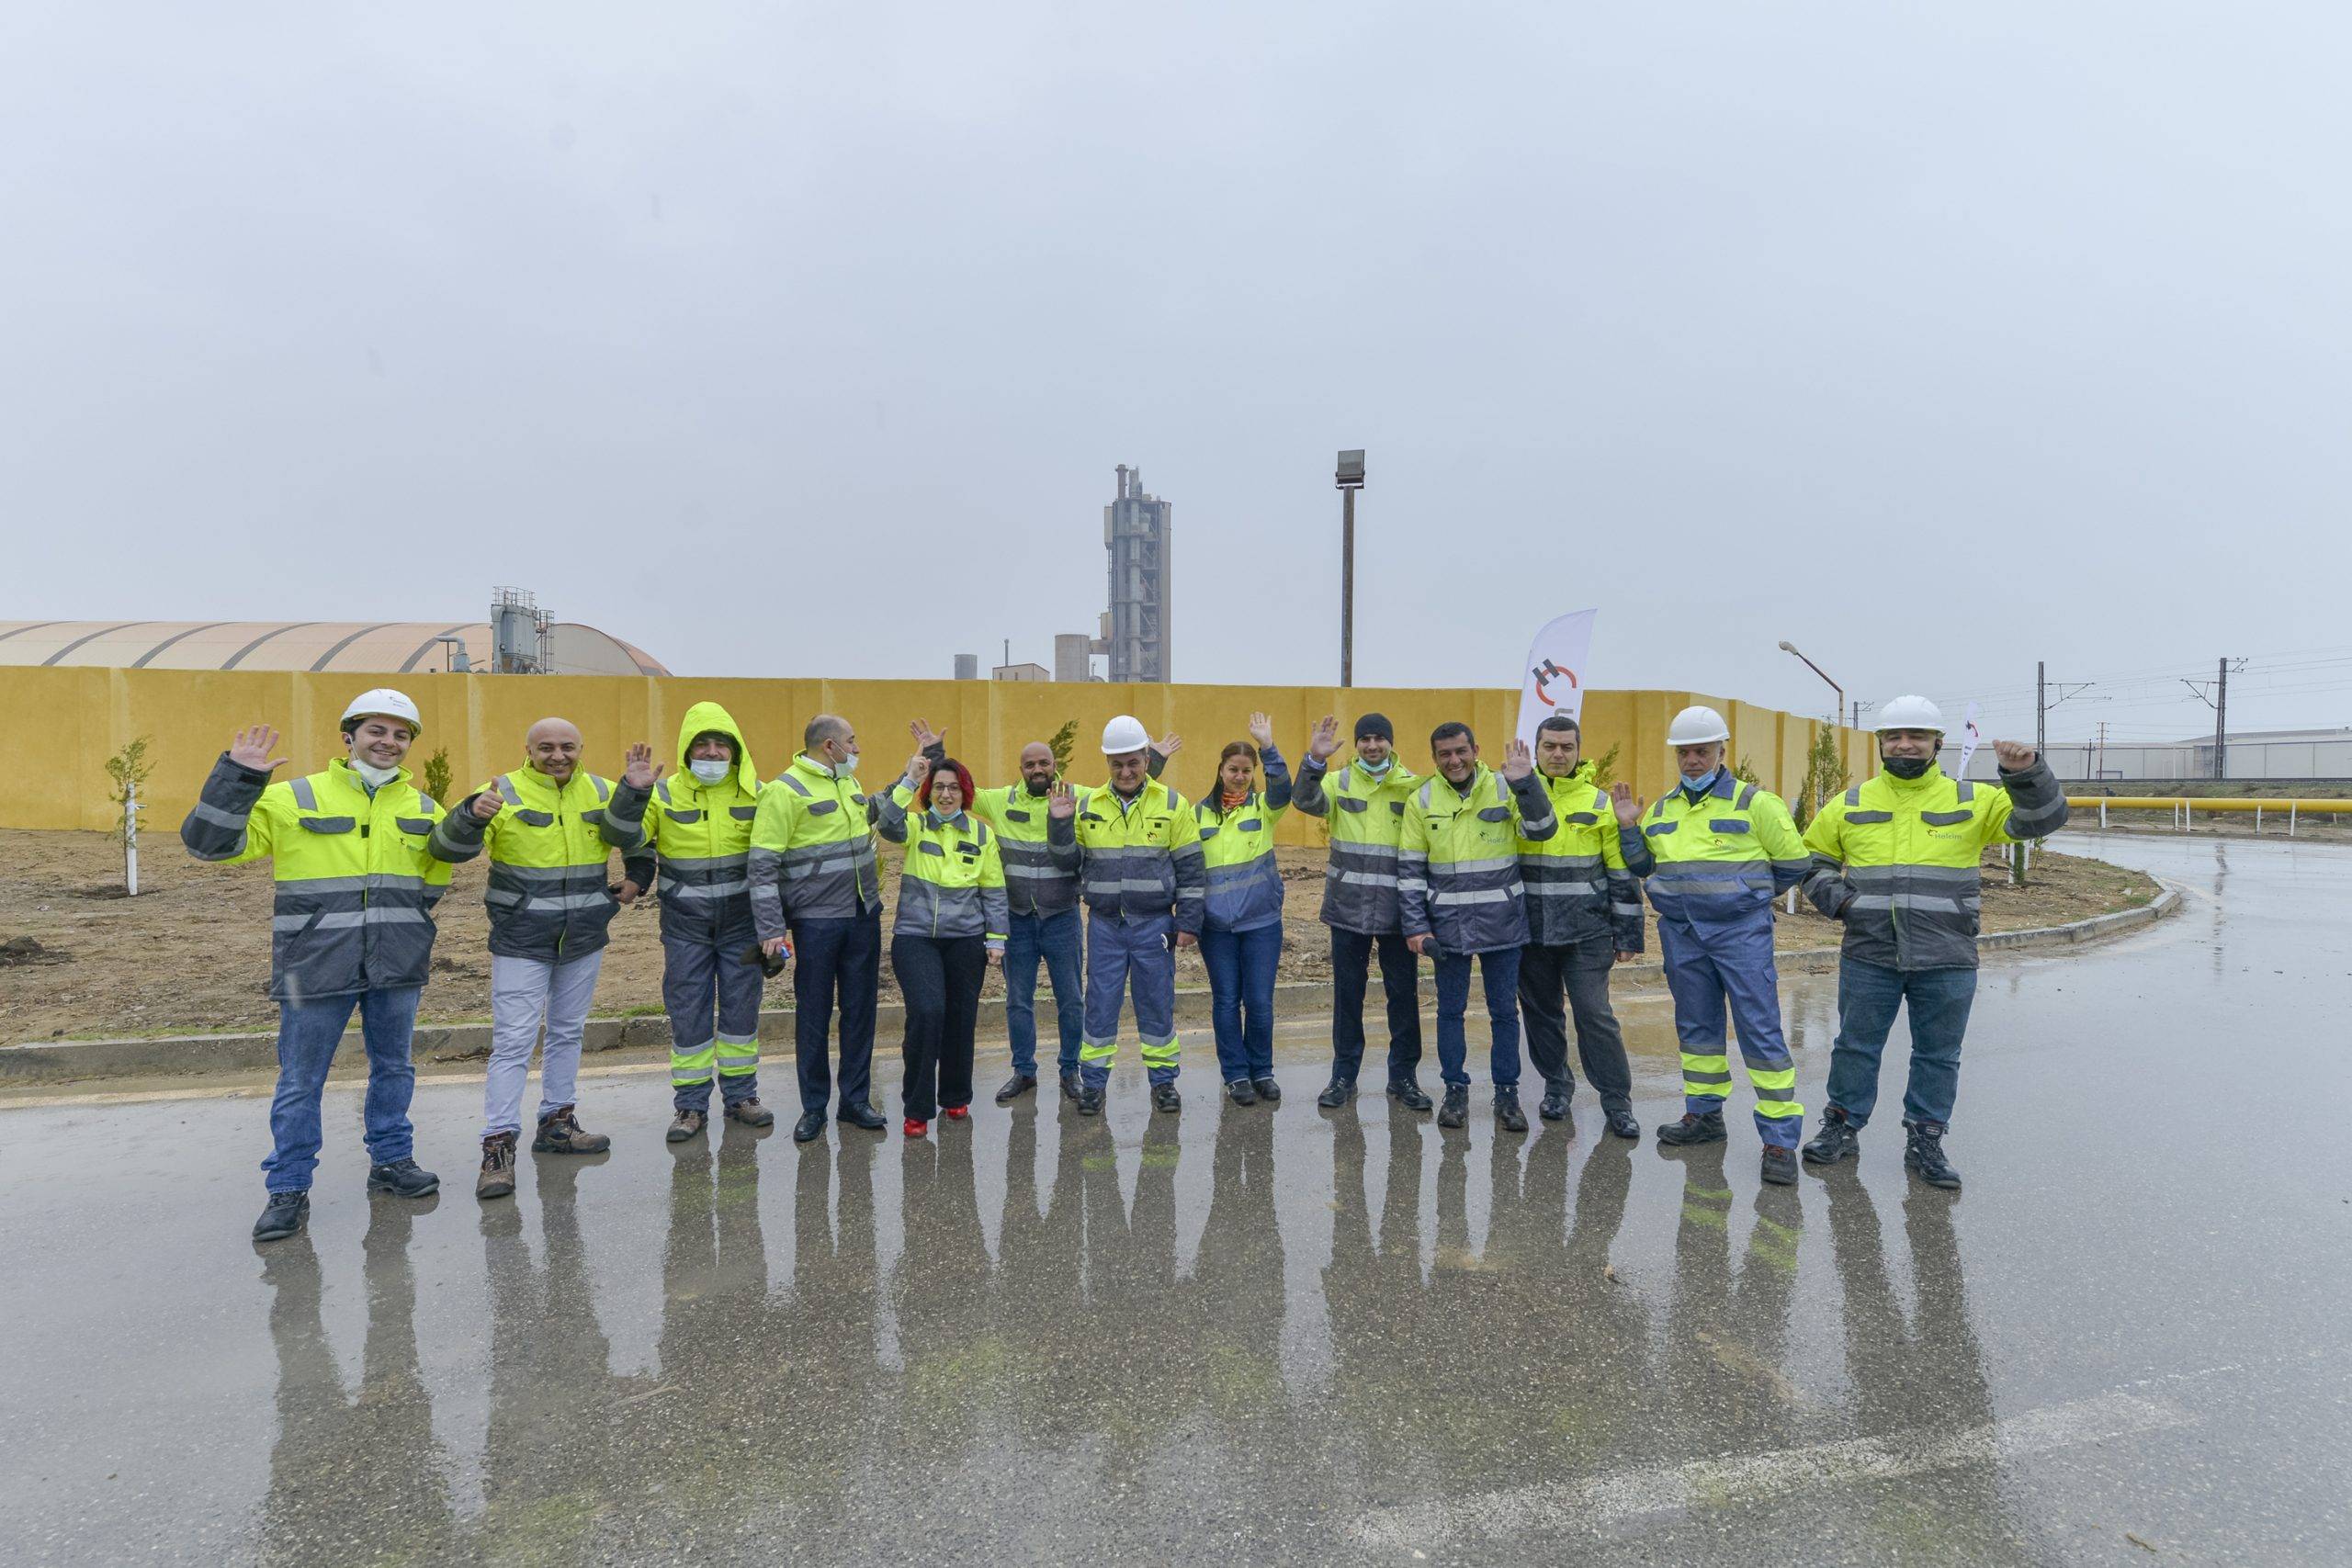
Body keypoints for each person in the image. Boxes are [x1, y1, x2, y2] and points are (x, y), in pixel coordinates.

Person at [182, 690, 457, 1244]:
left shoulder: (426, 810)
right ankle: (288, 1188)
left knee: (395, 1068)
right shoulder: (292, 797)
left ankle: (392, 1161)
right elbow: (209, 846)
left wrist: (403, 928)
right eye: (376, 730)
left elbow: (433, 881)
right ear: (348, 736)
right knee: (301, 1080)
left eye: (401, 734)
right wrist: (239, 777)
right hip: (314, 964)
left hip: (397, 962)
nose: (388, 742)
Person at [1798, 696, 2069, 1188]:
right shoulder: (1851, 803)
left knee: (1938, 1055)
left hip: (1947, 954)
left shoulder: (1974, 799)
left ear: (1938, 743)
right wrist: (1843, 904)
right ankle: (1841, 1127)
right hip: (1870, 953)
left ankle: (1926, 1139)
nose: (1905, 745)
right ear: (1881, 743)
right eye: (1895, 736)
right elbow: (1811, 859)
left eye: (1917, 736)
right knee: (1855, 1046)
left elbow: (2042, 821)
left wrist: (2025, 773)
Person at [431, 718, 654, 1201]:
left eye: (567, 746)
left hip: (583, 936)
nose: (557, 755)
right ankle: (497, 1147)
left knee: (568, 1031)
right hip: (522, 937)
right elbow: (447, 849)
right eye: (546, 747)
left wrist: (638, 874)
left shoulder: (603, 790)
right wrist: (470, 814)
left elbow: (636, 839)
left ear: (581, 747)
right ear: (528, 749)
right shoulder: (501, 791)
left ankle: (557, 1122)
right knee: (513, 1042)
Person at [906, 717, 1179, 1104]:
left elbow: (1124, 786)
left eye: (1044, 763)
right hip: (1016, 919)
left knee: (1072, 999)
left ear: (1055, 766)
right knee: (1019, 1000)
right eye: (1030, 764)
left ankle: (1070, 1071)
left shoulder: (1078, 796)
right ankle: (1024, 1071)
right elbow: (957, 789)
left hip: (1061, 918)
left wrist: (1156, 761)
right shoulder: (1001, 801)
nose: (1038, 769)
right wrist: (935, 754)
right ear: (1021, 769)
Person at [1630, 705, 1811, 1185]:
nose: (1692, 760)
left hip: (1740, 933)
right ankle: (1705, 1116)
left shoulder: (1756, 804)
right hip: (1682, 934)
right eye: (1684, 753)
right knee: (1696, 1028)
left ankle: (1779, 1139)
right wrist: (1629, 829)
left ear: (1721, 752)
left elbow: (1794, 864)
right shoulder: (1662, 811)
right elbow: (1643, 865)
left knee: (1760, 1029)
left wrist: (1747, 898)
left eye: (1701, 751)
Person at [1396, 723, 1555, 1131]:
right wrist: (1416, 928)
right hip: (1447, 930)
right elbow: (1410, 872)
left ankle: (1507, 1095)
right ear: (1434, 758)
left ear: (1476, 750)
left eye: (1461, 751)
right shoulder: (1422, 800)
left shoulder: (1505, 788)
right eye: (1445, 754)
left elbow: (1543, 831)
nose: (1454, 761)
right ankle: (1455, 1091)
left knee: (1504, 1013)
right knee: (1450, 1012)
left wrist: (1527, 784)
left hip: (1502, 925)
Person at [749, 714, 889, 1145]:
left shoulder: (846, 783)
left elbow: (874, 813)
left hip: (862, 913)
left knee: (860, 1011)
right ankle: (814, 1107)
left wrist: (911, 775)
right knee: (813, 1014)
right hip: (815, 921)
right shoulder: (784, 791)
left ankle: (855, 1101)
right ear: (830, 746)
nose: (857, 748)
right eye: (852, 740)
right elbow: (763, 865)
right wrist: (771, 927)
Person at [642, 702, 775, 1143]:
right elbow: (627, 836)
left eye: (722, 745)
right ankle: (690, 1105)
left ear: (735, 751)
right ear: (687, 750)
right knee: (689, 1014)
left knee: (741, 1011)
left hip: (742, 926)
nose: (713, 753)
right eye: (703, 745)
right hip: (686, 928)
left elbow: (778, 857)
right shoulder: (662, 794)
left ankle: (741, 1097)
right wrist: (632, 794)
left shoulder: (759, 794)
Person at [1516, 713, 1648, 1139]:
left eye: (1566, 747)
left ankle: (1617, 1102)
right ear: (1537, 749)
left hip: (1587, 932)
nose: (1558, 754)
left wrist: (1627, 934)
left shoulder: (1599, 803)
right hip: (1531, 933)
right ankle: (1557, 1086)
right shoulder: (1516, 797)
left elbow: (1620, 874)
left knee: (1595, 1015)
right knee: (1541, 1015)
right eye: (1549, 746)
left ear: (1578, 752)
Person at [1293, 712, 1430, 1111]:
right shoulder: (1338, 782)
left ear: (1391, 742)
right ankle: (1343, 1077)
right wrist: (1315, 761)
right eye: (1365, 739)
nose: (1372, 746)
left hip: (1397, 912)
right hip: (1348, 910)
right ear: (1356, 744)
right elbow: (1304, 800)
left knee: (1403, 996)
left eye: (1378, 739)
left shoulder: (1412, 786)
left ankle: (1403, 1077)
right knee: (1347, 997)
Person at [1070, 715, 1205, 1115]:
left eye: (1133, 763)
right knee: (1100, 1005)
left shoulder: (1173, 804)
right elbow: (1070, 861)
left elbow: (1191, 869)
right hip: (1105, 925)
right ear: (1107, 763)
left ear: (1148, 759)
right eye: (1117, 764)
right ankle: (1093, 1084)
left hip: (1154, 925)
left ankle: (1163, 1083)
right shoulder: (1087, 806)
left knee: (1156, 1004)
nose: (1126, 772)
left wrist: (1189, 923)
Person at [874, 751, 1009, 1136]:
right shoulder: (915, 826)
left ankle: (955, 1096)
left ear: (964, 793)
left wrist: (996, 937)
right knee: (928, 1012)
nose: (946, 794)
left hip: (966, 940)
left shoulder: (981, 834)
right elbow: (887, 823)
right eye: (938, 788)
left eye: (953, 788)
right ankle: (917, 1108)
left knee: (961, 1018)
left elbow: (993, 889)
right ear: (928, 792)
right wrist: (908, 779)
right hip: (916, 939)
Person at [1194, 715, 1293, 1105]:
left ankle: (1262, 1071)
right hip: (1216, 927)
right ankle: (1235, 1075)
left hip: (1261, 924)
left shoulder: (1263, 808)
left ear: (1254, 774)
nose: (1239, 776)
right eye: (1233, 769)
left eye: (1246, 771)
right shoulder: (1197, 815)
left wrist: (1268, 747)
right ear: (1220, 770)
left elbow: (1283, 788)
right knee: (1225, 1001)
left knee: (1259, 1002)